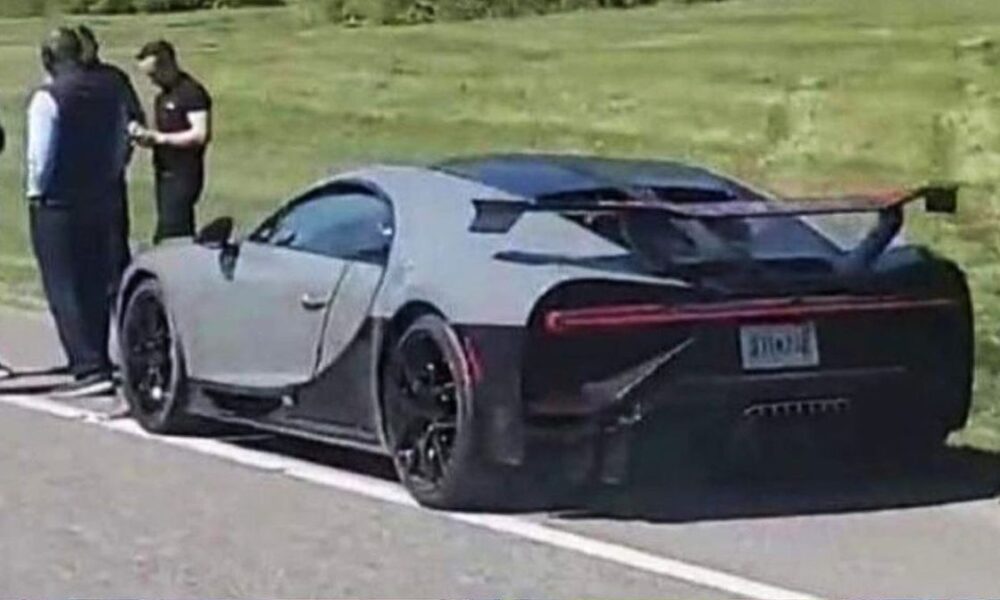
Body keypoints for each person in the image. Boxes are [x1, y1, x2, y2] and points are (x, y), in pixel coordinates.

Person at [25, 27, 128, 397]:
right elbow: (121, 140)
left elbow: (41, 156)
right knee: (96, 279)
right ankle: (99, 354)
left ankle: (87, 366)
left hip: (60, 201)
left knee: (64, 284)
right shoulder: (110, 89)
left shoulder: (49, 97)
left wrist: (37, 193)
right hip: (102, 194)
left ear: (48, 58)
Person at [77, 25, 146, 301]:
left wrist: (123, 153)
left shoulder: (113, 79)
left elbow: (133, 117)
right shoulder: (65, 80)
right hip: (76, 175)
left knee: (114, 237)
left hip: (108, 172)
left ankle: (120, 291)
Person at [131, 40, 212, 243]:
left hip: (183, 174)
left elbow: (200, 134)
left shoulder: (191, 93)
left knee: (172, 231)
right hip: (164, 172)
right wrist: (146, 138)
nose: (151, 81)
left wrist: (161, 138)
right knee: (171, 225)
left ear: (167, 65)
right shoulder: (163, 97)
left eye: (153, 74)